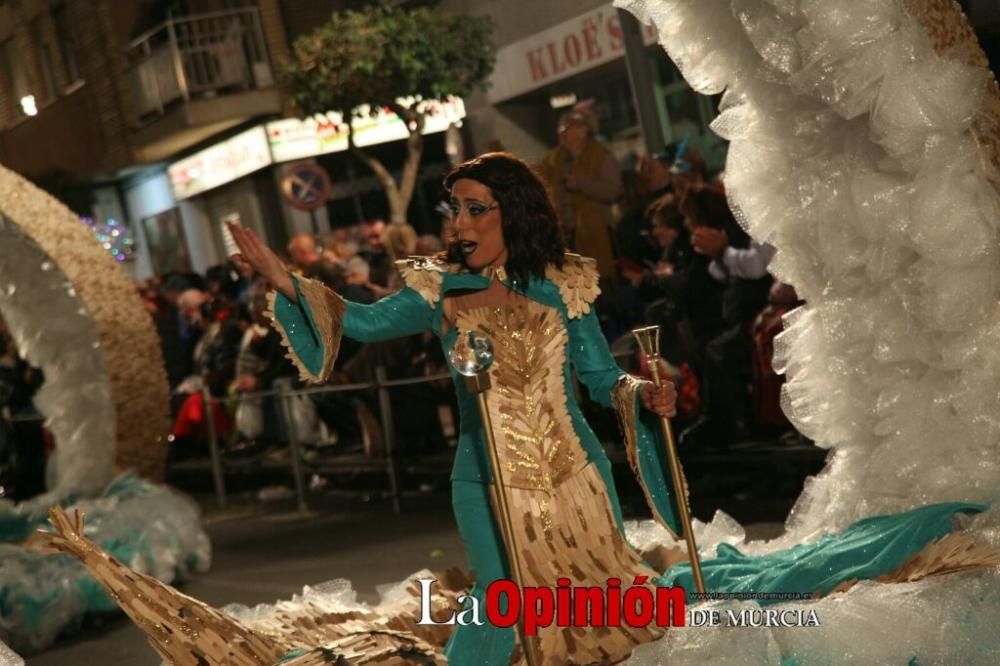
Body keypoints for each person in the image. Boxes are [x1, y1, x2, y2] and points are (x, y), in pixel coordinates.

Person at [36, 154, 995, 666]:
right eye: (451, 209)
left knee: (606, 614)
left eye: (471, 209)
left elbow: (597, 385)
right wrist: (290, 279)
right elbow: (357, 326)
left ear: (513, 214)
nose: (454, 223)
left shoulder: (565, 289)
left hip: (572, 491)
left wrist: (642, 393)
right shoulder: (435, 288)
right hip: (483, 490)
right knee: (500, 608)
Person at [537, 106, 622, 278]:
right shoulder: (554, 159)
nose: (562, 133)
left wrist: (582, 184)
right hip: (565, 235)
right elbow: (538, 179)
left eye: (566, 128)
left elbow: (614, 191)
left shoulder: (601, 156)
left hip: (596, 232)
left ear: (582, 131)